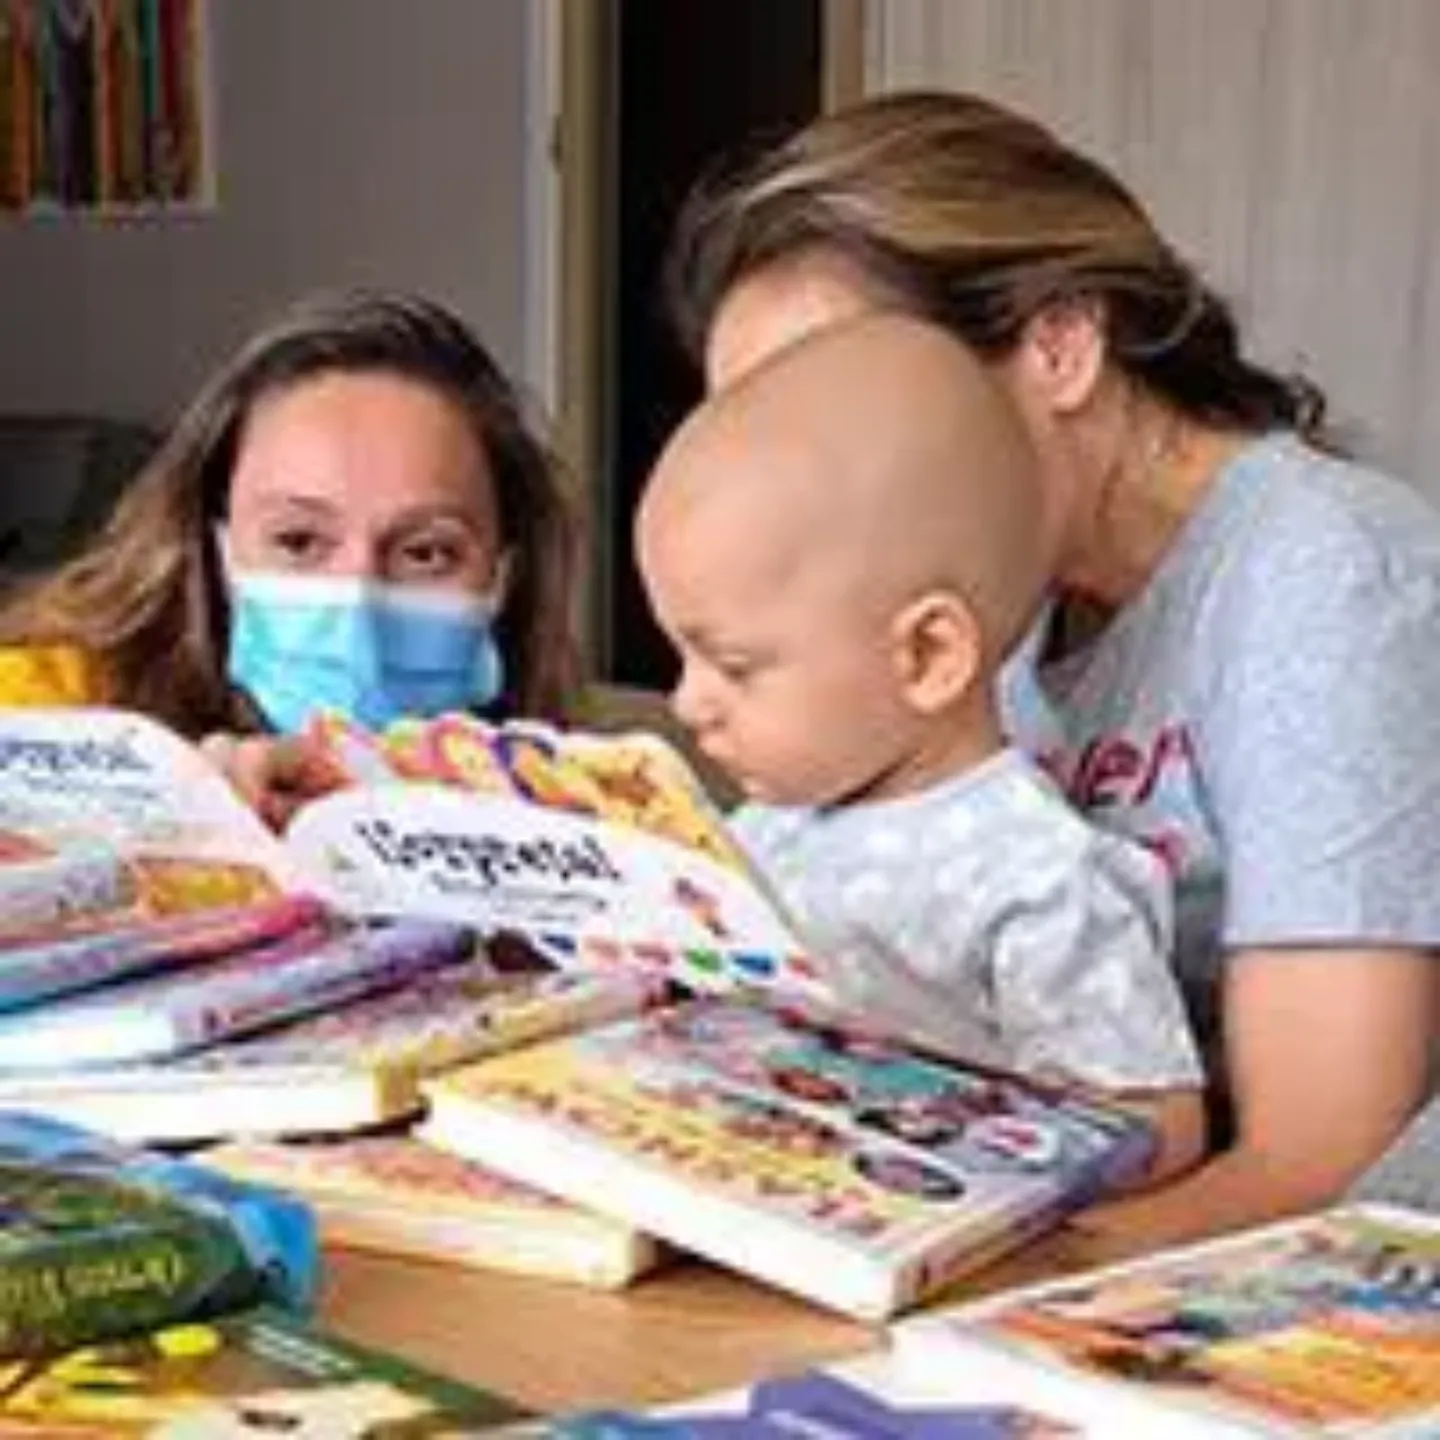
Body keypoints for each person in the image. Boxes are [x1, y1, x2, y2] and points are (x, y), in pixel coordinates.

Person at [661, 89, 1440, 1246]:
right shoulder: (980, 600)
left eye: (838, 401)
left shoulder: (1326, 578)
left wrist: (923, 1282)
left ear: (1060, 347)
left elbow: (1319, 1163)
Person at [637, 312, 1205, 1183]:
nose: (688, 703)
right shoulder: (769, 824)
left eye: (735, 666)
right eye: (682, 657)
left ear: (927, 655)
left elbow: (1153, 1123)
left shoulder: (1038, 879)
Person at [0, 289, 581, 826]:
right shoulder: (50, 711)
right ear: (220, 553)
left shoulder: (561, 793)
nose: (357, 599)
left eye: (426, 553)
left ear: (502, 577)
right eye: (299, 542)